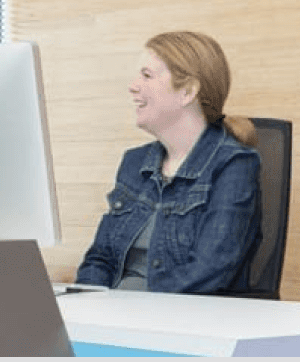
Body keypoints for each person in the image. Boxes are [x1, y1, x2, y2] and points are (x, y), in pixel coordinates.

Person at [74, 31, 262, 293]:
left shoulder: (234, 165)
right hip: (113, 317)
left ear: (187, 91)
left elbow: (208, 272)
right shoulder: (135, 162)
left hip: (173, 320)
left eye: (147, 75)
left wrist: (131, 309)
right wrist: (87, 304)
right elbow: (100, 258)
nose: (133, 86)